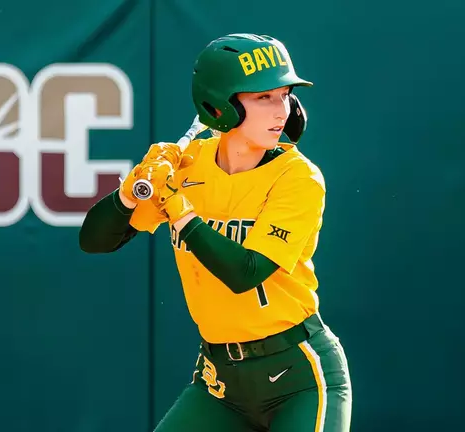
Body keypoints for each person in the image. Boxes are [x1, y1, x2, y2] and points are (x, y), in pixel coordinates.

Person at [79, 33, 352, 432]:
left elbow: (244, 273)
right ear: (221, 104)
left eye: (284, 95)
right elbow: (95, 241)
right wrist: (131, 190)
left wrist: (177, 207)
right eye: (263, 97)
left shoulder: (299, 177)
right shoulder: (191, 165)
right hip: (221, 383)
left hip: (297, 376)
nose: (281, 110)